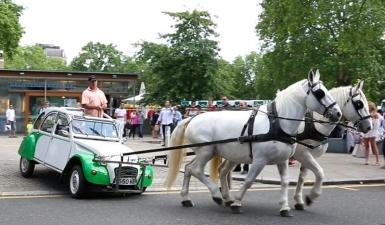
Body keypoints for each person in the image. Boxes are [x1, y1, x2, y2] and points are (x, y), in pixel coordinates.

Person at [362, 101, 380, 166]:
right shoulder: (365, 113)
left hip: (373, 131)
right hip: (366, 131)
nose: (367, 107)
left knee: (373, 145)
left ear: (371, 107)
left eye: (368, 106)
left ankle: (377, 161)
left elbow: (377, 125)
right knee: (366, 146)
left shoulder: (375, 114)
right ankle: (366, 160)